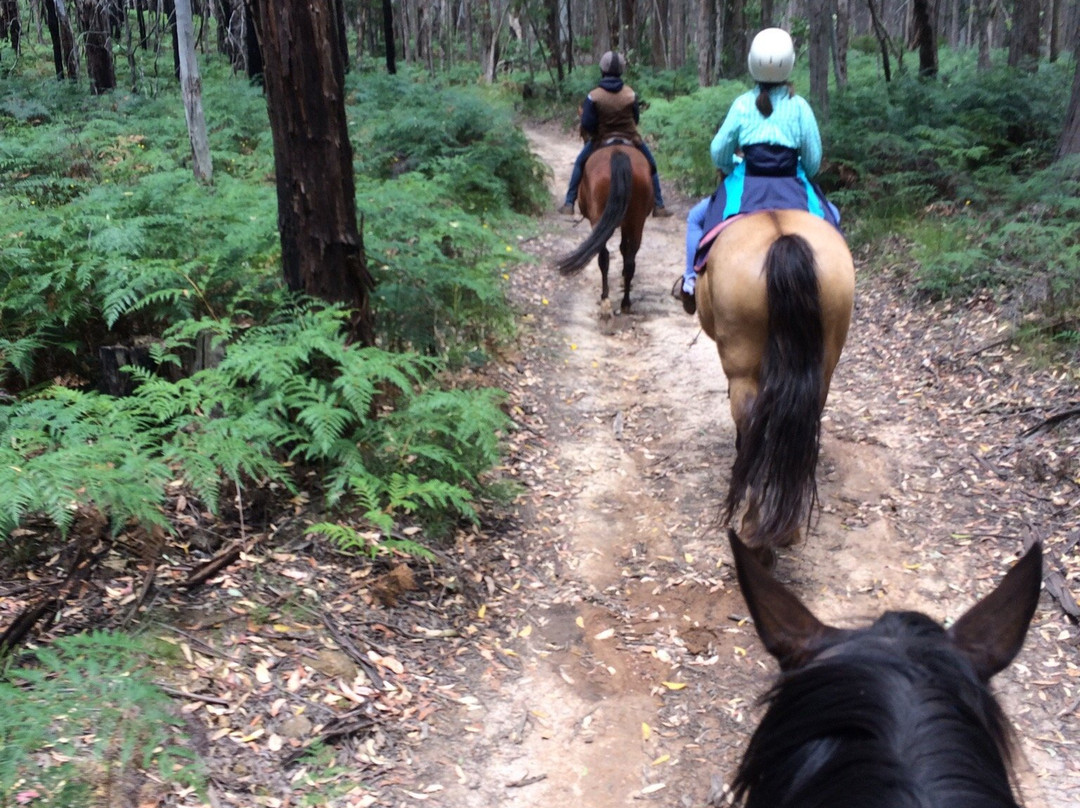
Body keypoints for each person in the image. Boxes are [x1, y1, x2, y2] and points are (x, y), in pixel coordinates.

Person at [675, 28, 839, 315]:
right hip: (792, 185)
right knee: (833, 217)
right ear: (789, 64)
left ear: (753, 63)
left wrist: (730, 168)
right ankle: (840, 284)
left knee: (696, 218)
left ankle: (690, 280)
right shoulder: (800, 107)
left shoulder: (741, 105)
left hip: (746, 185)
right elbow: (813, 162)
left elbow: (718, 151)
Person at [559, 51, 673, 218]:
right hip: (630, 137)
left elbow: (587, 124)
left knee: (580, 163)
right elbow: (636, 118)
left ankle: (569, 203)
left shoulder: (593, 96)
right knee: (652, 165)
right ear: (621, 71)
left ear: (602, 70)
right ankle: (659, 204)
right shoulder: (630, 94)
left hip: (601, 138)